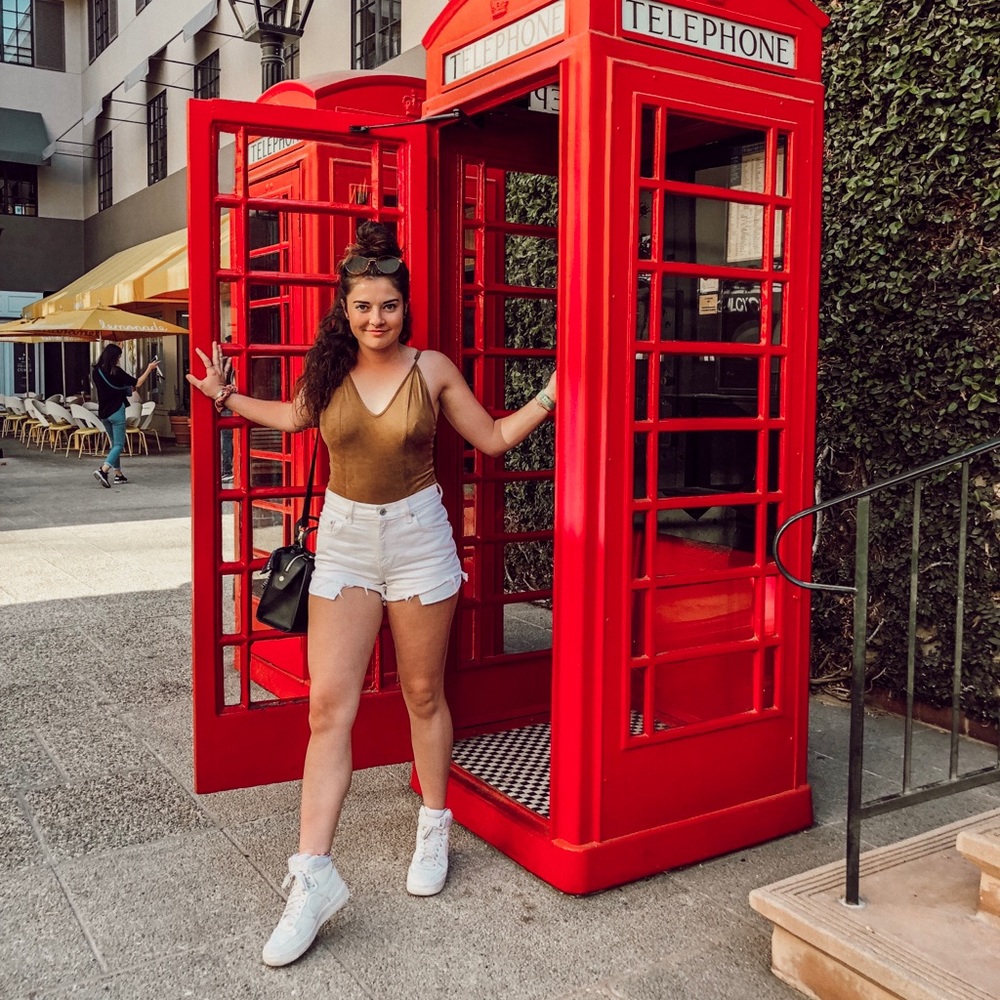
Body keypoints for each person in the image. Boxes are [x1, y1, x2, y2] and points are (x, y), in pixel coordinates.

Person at [186, 222, 557, 968]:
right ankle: (312, 877)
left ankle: (434, 823)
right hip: (347, 542)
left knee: (423, 695)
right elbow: (293, 419)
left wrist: (551, 395)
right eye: (362, 307)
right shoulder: (329, 373)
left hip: (420, 540)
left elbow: (488, 439)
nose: (375, 319)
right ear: (344, 309)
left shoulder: (434, 369)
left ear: (404, 307)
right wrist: (227, 397)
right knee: (329, 707)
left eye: (387, 306)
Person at [91, 344, 159, 487]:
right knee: (119, 445)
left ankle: (118, 475)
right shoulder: (117, 371)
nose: (119, 359)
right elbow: (138, 383)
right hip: (116, 411)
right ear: (114, 357)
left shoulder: (96, 371)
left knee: (113, 444)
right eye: (119, 357)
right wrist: (149, 369)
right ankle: (103, 470)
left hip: (103, 412)